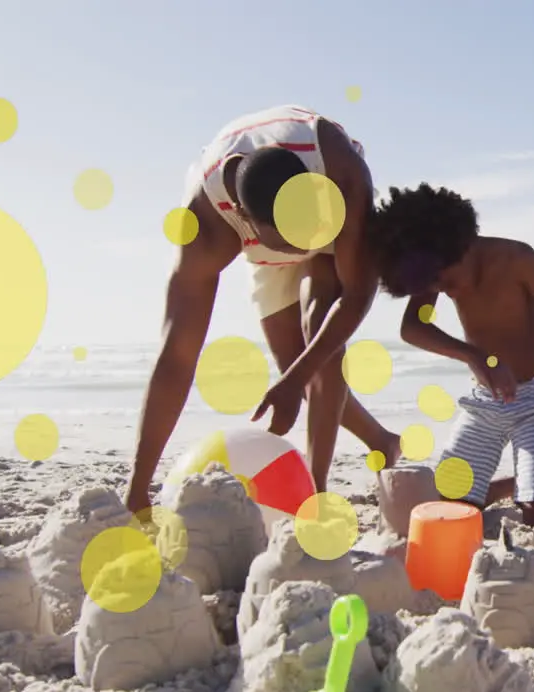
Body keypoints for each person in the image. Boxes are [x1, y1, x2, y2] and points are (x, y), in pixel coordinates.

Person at [125, 105, 401, 518]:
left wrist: (296, 380)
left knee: (317, 340)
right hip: (258, 231)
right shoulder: (206, 224)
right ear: (243, 221)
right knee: (293, 362)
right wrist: (138, 489)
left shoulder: (339, 169)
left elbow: (357, 295)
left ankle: (316, 495)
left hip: (331, 212)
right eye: (292, 241)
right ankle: (382, 440)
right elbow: (176, 357)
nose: (304, 247)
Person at [369, 183, 534, 528]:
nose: (442, 292)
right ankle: (519, 485)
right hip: (484, 401)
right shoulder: (434, 272)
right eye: (432, 288)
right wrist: (475, 356)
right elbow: (412, 327)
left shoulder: (519, 259)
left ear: (456, 245)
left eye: (443, 281)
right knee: (447, 508)